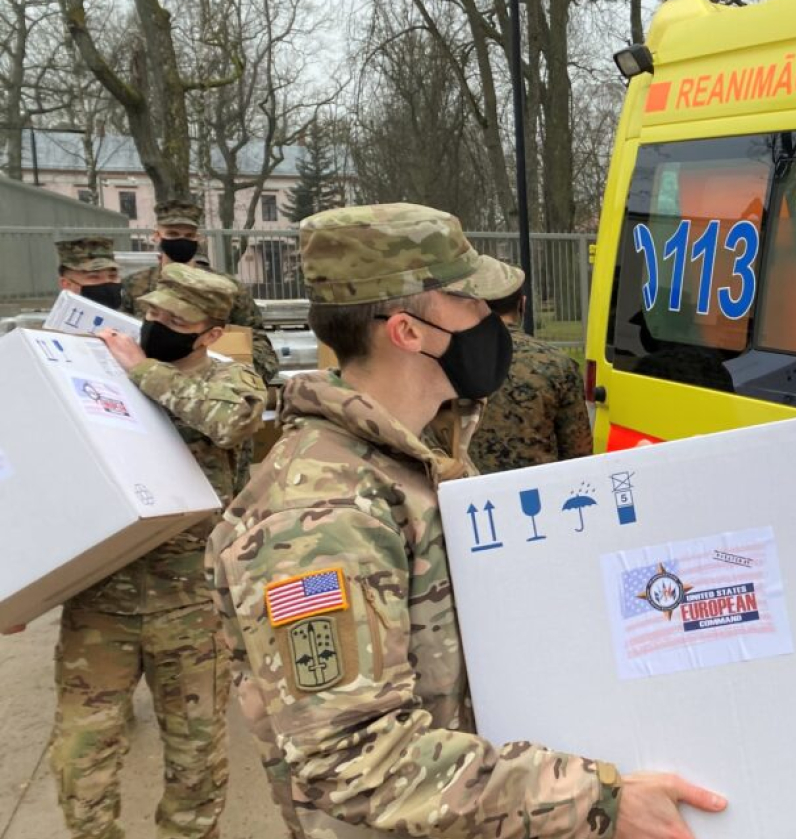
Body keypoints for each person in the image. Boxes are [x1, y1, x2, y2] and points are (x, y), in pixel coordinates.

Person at [208, 202, 725, 839]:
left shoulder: (424, 458)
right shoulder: (317, 513)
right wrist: (597, 799)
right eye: (472, 303)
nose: (491, 322)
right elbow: (352, 759)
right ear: (408, 331)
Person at [46, 263, 267, 839]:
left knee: (195, 763)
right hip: (99, 606)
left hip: (189, 609)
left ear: (212, 334)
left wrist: (141, 371)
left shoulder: (233, 383)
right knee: (80, 760)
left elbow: (226, 422)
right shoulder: (98, 372)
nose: (156, 325)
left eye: (175, 320)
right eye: (152, 314)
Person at [122, 197, 280, 382]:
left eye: (189, 236)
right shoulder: (135, 286)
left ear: (198, 238)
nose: (181, 240)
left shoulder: (225, 288)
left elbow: (259, 343)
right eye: (172, 234)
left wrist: (238, 375)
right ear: (157, 235)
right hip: (144, 382)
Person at [470, 280, 593, 474]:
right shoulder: (557, 364)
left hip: (469, 495)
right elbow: (578, 453)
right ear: (523, 304)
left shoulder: (452, 362)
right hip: (540, 494)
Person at [56, 236, 124, 309]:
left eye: (112, 276)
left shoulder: (132, 318)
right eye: (94, 277)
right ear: (67, 285)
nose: (107, 282)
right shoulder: (60, 320)